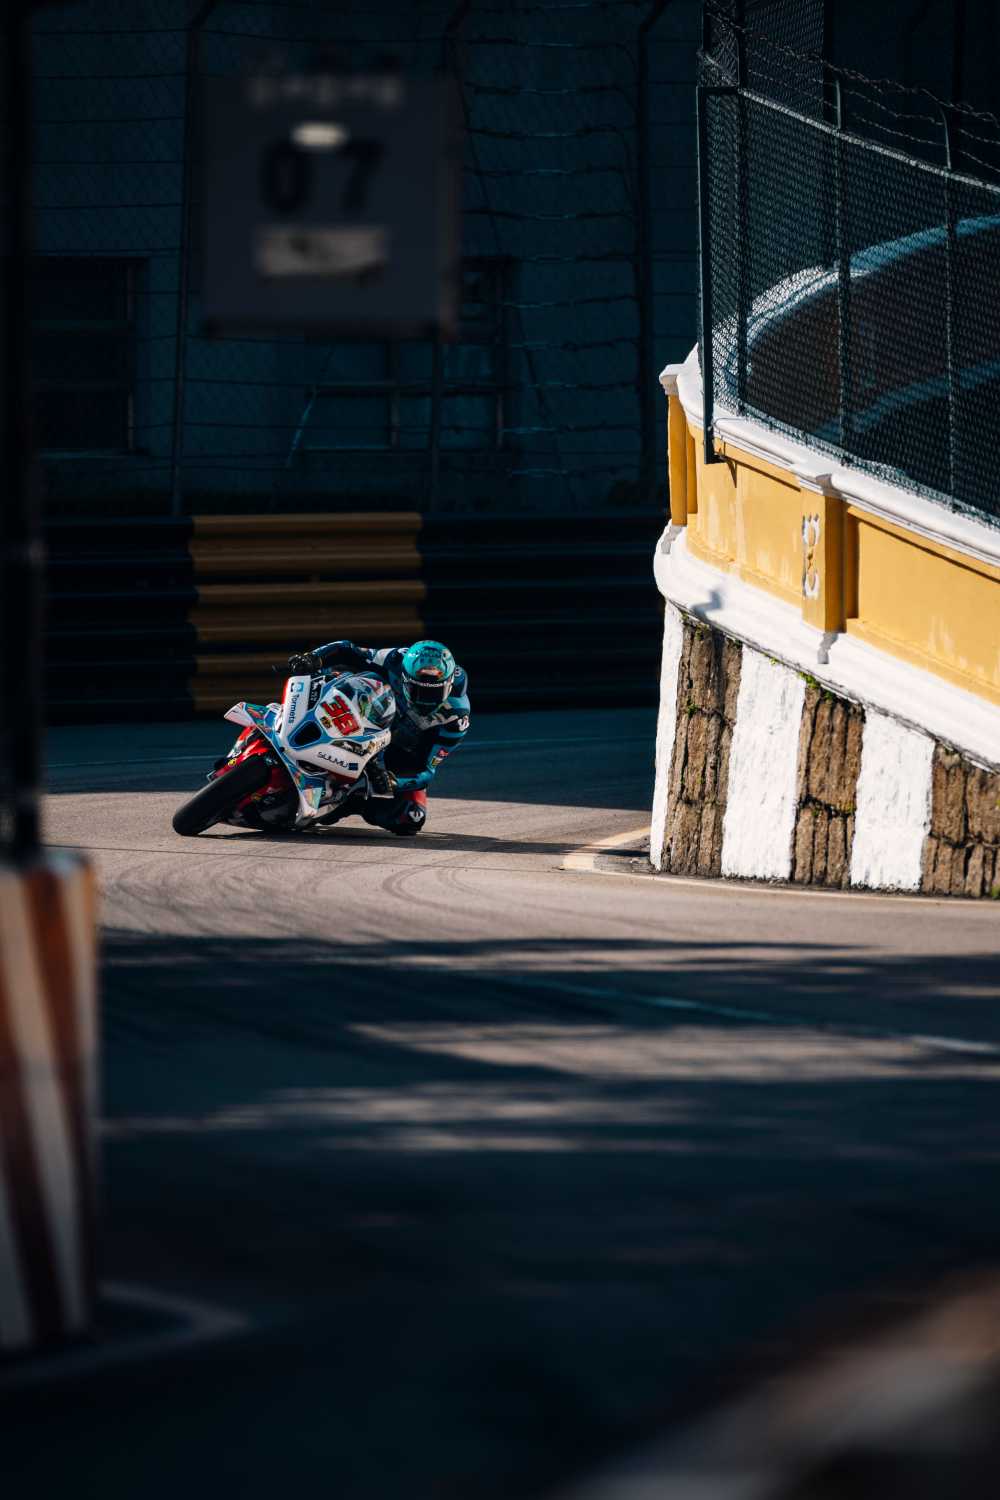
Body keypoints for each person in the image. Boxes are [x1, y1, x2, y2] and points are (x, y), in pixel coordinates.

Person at [287, 638, 470, 836]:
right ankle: (294, 720)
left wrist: (394, 782)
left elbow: (427, 770)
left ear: (449, 685)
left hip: (396, 755)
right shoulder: (395, 658)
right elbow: (347, 650)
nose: (425, 699)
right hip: (363, 715)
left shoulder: (456, 717)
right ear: (405, 678)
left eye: (434, 692)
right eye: (418, 690)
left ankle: (349, 802)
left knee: (411, 818)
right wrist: (313, 658)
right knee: (335, 673)